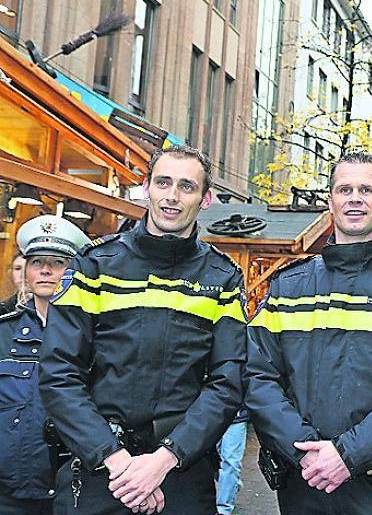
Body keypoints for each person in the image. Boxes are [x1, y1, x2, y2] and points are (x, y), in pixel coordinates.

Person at [39, 145, 248, 514]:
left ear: (206, 198)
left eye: (187, 186)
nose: (172, 196)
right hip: (98, 465)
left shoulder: (222, 277)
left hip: (181, 471)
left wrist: (163, 461)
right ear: (146, 187)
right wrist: (119, 464)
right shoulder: (96, 265)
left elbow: (227, 384)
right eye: (163, 182)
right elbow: (59, 373)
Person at [246, 151, 372, 514]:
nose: (355, 197)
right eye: (345, 189)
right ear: (331, 201)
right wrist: (304, 449)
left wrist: (348, 454)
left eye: (366, 189)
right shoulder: (288, 287)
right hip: (305, 482)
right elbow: (258, 376)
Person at [0, 215, 89, 514]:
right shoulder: (3, 333)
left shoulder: (97, 337)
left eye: (58, 262)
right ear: (26, 270)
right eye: (37, 262)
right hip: (10, 492)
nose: (46, 270)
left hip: (75, 488)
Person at [215, 409, 249, 515]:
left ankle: (223, 509)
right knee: (213, 459)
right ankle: (233, 484)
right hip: (211, 414)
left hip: (237, 417)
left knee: (231, 463)